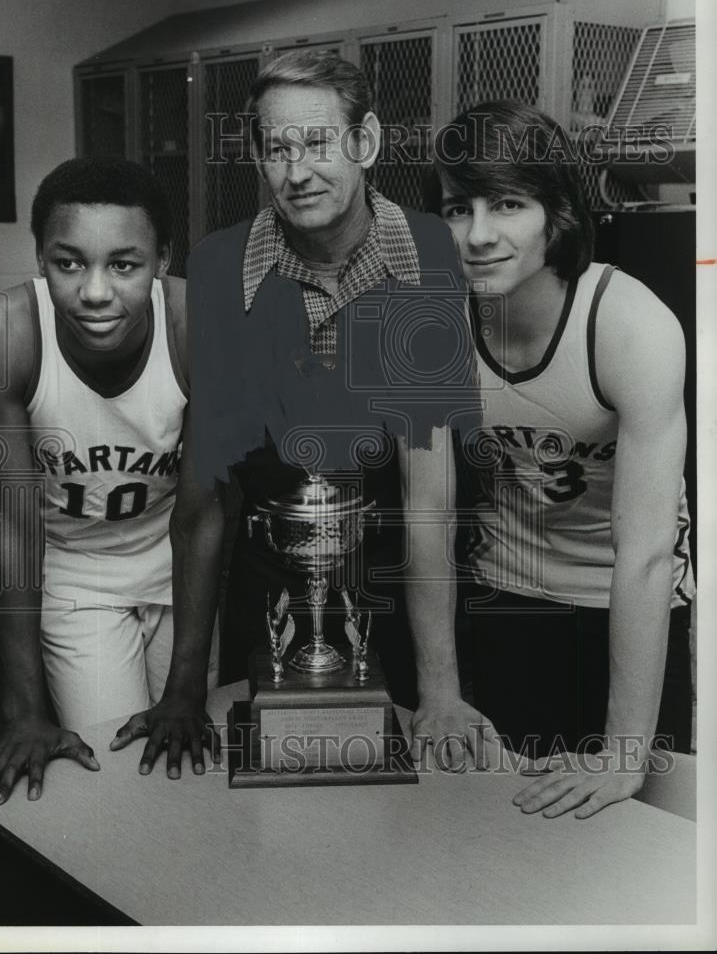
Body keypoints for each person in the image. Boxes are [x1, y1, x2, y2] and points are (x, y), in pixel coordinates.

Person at [111, 50, 482, 777]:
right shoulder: (219, 268)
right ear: (256, 154)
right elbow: (206, 490)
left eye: (316, 143)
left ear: (365, 142)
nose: (296, 171)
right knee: (262, 810)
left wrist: (442, 688)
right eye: (277, 148)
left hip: (392, 582)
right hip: (267, 580)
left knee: (402, 812)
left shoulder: (428, 254)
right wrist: (182, 688)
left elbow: (428, 494)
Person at [425, 100, 695, 817]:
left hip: (628, 601)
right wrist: (439, 694)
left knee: (638, 837)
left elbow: (643, 552)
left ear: (557, 214)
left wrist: (622, 755)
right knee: (512, 823)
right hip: (509, 592)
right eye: (458, 209)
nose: (478, 235)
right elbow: (426, 517)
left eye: (507, 204)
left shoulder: (630, 326)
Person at [0, 157, 204, 805]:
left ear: (162, 261)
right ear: (40, 257)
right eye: (69, 263)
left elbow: (207, 513)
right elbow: (11, 522)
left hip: (180, 566)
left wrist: (185, 689)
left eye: (124, 264)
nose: (95, 291)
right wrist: (23, 712)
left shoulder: (200, 324)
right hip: (77, 576)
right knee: (117, 784)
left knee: (191, 767)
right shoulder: (3, 331)